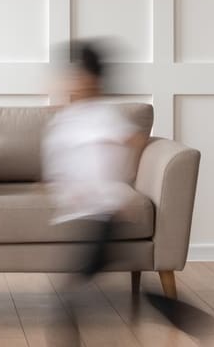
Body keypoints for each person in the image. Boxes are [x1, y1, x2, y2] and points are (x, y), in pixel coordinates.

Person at [42, 41, 147, 276]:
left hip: (100, 203)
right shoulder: (66, 119)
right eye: (71, 78)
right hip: (77, 200)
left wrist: (128, 178)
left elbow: (135, 141)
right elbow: (59, 158)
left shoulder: (102, 115)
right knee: (89, 257)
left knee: (92, 257)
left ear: (93, 82)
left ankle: (78, 286)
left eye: (79, 78)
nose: (72, 84)